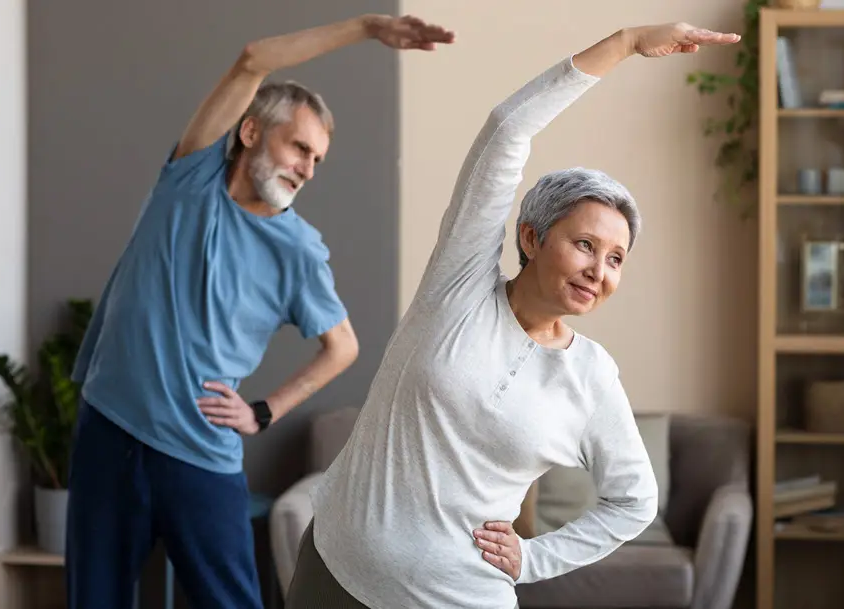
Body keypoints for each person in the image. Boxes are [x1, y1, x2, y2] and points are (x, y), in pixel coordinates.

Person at [284, 21, 740, 609]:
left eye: (616, 258)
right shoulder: (459, 287)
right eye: (584, 245)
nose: (598, 270)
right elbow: (508, 127)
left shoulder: (591, 376)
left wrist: (536, 558)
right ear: (530, 236)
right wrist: (625, 44)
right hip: (333, 575)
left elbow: (634, 501)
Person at [65, 13, 455, 609]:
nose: (307, 167)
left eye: (318, 159)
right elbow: (254, 59)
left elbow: (342, 346)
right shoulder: (189, 178)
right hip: (109, 431)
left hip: (197, 454)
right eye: (300, 146)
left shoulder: (299, 251)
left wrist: (263, 412)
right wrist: (370, 28)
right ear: (249, 132)